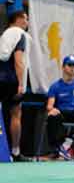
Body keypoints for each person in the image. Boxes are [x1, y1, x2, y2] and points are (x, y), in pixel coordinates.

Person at [0, 10, 30, 162]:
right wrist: (20, 84)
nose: (27, 22)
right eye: (26, 19)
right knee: (16, 113)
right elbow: (19, 61)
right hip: (11, 80)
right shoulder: (20, 34)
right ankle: (16, 152)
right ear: (17, 19)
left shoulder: (4, 35)